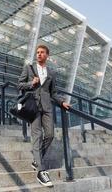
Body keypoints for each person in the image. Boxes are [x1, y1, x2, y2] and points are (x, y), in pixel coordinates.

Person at [18, 45, 70, 187]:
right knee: (37, 136)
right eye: (38, 52)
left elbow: (54, 93)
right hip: (33, 106)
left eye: (42, 53)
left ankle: (37, 159)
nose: (39, 54)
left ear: (47, 55)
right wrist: (31, 83)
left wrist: (62, 102)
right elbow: (20, 85)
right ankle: (41, 171)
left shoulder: (51, 72)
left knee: (50, 135)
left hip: (47, 107)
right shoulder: (29, 68)